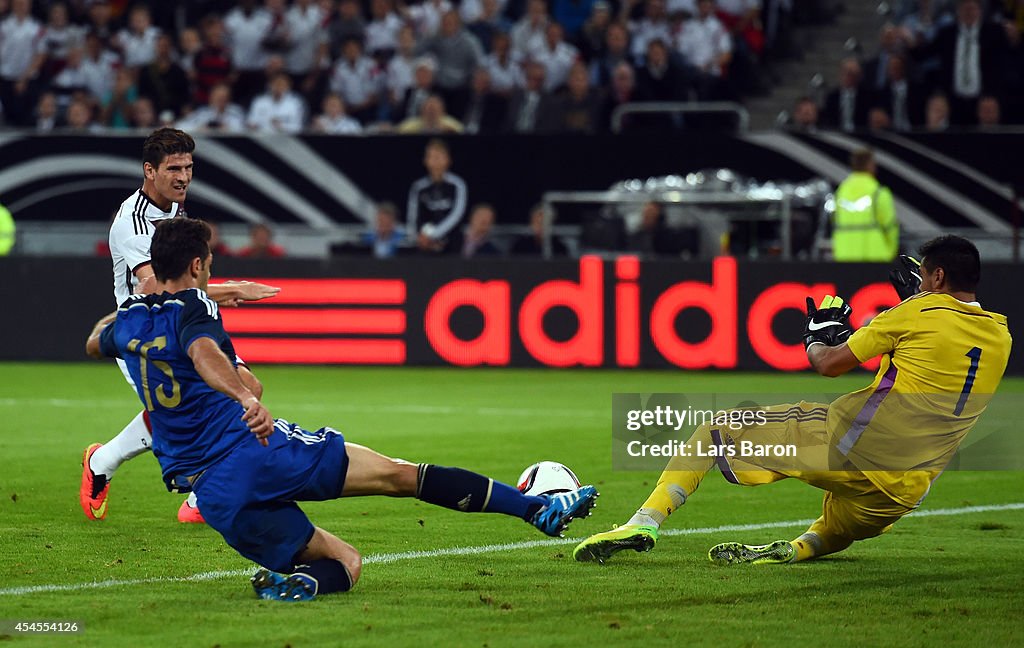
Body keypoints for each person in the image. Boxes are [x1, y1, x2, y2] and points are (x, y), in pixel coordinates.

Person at [85, 217, 599, 601]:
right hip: (256, 453)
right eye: (210, 264)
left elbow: (94, 342)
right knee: (403, 476)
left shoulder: (128, 323)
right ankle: (538, 510)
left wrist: (138, 306)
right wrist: (243, 395)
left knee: (347, 563)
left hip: (215, 498)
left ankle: (302, 585)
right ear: (197, 265)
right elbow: (205, 354)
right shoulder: (198, 309)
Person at [575, 235, 1010, 565]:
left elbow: (830, 363)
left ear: (935, 277)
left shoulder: (914, 312)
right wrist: (915, 304)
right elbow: (942, 345)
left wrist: (815, 336)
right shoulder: (999, 336)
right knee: (839, 526)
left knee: (715, 431)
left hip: (850, 448)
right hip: (906, 489)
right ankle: (799, 549)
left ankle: (643, 522)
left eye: (925, 277)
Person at [81, 128, 280, 525]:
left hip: (188, 316)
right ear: (149, 170)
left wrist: (213, 296)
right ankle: (188, 491)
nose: (184, 176)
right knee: (191, 406)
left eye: (189, 167)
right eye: (174, 168)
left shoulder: (175, 207)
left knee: (247, 388)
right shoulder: (133, 223)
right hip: (146, 327)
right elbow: (156, 288)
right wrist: (231, 290)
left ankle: (118, 467)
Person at [831, 148, 898, 262]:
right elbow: (890, 227)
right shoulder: (879, 192)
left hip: (844, 256)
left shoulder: (840, 192)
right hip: (876, 257)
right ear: (871, 165)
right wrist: (890, 252)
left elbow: (835, 222)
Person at [406, 139, 468, 252]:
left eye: (439, 157)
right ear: (425, 160)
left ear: (448, 160)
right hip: (424, 245)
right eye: (432, 157)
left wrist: (434, 234)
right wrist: (418, 238)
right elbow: (412, 217)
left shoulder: (457, 185)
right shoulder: (418, 187)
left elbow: (456, 215)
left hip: (452, 246)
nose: (435, 161)